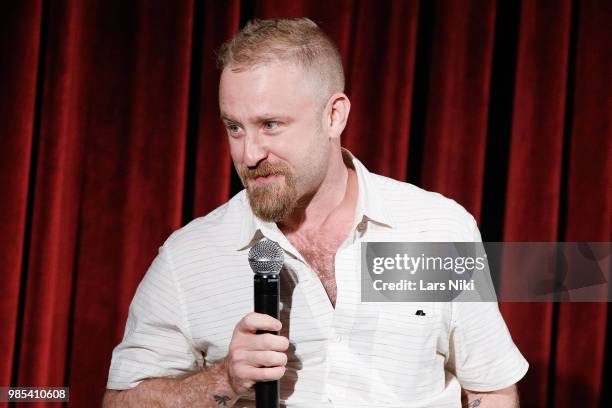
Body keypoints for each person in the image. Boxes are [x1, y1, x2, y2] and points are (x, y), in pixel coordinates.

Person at [102, 17, 528, 408]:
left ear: (333, 116)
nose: (249, 154)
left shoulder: (437, 227)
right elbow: (120, 402)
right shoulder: (189, 256)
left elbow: (490, 388)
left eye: (270, 125)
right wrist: (224, 379)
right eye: (234, 127)